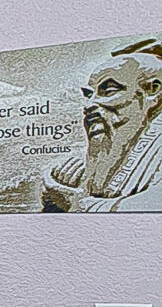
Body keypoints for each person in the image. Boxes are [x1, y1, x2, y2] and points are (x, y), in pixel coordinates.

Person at [41, 42, 162, 211]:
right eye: (89, 95)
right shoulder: (82, 168)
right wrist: (55, 200)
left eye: (109, 91)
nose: (89, 105)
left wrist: (76, 204)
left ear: (152, 90)